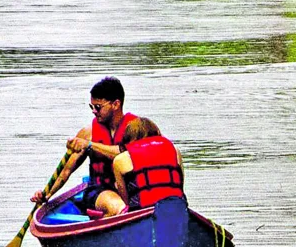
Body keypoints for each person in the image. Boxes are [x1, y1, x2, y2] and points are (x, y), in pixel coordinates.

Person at [30, 77, 137, 217]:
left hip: (132, 189)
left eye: (98, 107)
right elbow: (65, 171)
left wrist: (90, 146)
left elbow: (126, 153)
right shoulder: (87, 134)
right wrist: (46, 194)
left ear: (116, 104)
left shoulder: (136, 129)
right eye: (91, 106)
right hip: (99, 190)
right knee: (119, 208)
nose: (93, 111)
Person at [112, 118, 184, 211]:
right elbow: (180, 185)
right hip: (176, 207)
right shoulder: (175, 150)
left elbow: (125, 199)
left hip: (142, 210)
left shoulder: (120, 159)